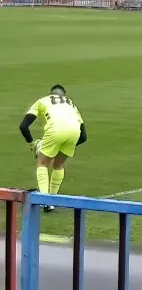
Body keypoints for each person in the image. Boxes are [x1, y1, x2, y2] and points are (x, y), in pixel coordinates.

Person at [19, 84, 87, 212]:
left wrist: (32, 144)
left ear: (51, 94)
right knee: (59, 165)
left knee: (42, 163)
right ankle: (52, 201)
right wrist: (60, 149)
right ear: (64, 96)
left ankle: (45, 200)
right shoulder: (71, 104)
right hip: (74, 132)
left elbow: (23, 126)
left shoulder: (43, 101)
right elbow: (83, 137)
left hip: (56, 130)